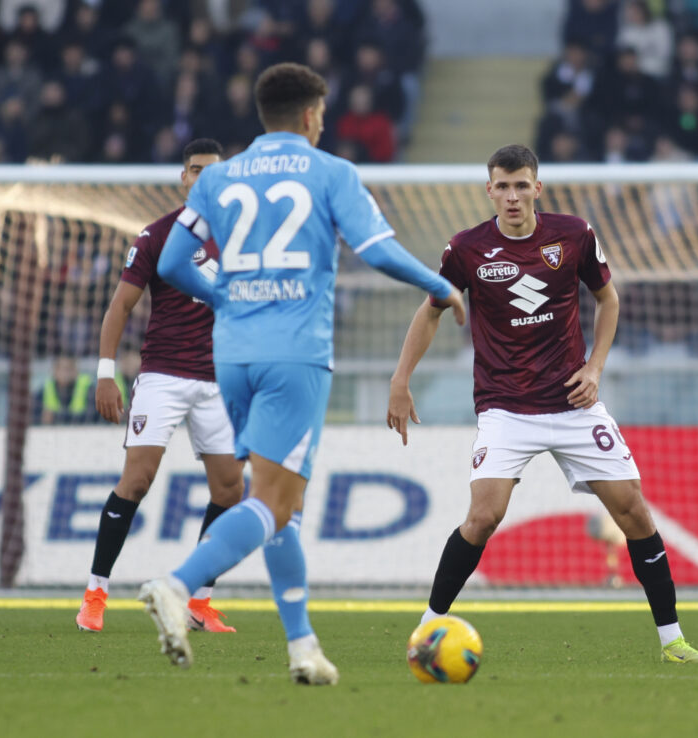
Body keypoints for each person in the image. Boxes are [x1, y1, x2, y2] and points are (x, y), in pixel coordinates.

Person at [140, 62, 466, 682]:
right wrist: (439, 283)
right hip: (295, 353)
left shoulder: (220, 176)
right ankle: (178, 586)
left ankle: (303, 646)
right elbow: (374, 251)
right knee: (275, 500)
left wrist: (228, 299)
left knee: (275, 499)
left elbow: (176, 261)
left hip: (231, 354)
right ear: (314, 115)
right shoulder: (331, 172)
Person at [386, 144, 698, 665]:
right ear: (489, 190)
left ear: (537, 188)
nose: (513, 195)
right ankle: (425, 631)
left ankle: (672, 641)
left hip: (573, 404)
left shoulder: (574, 235)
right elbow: (430, 313)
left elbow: (608, 300)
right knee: (483, 517)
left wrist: (595, 368)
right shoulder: (466, 248)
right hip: (505, 406)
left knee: (633, 510)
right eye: (503, 185)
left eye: (522, 185)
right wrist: (401, 379)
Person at [77, 138, 245, 634]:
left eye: (213, 172)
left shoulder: (241, 236)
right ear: (184, 177)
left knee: (230, 491)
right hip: (163, 376)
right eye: (195, 170)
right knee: (137, 480)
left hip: (219, 382)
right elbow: (120, 308)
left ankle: (200, 601)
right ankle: (95, 594)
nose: (203, 179)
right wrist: (106, 373)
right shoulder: (158, 235)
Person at [34, 355, 97, 425]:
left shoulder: (87, 388)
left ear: (76, 371)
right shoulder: (44, 390)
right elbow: (35, 415)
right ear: (54, 371)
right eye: (61, 369)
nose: (65, 373)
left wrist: (55, 416)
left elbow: (93, 415)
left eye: (68, 369)